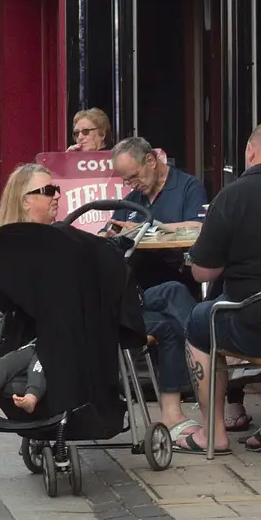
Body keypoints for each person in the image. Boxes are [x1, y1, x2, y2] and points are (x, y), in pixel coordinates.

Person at [180, 122, 261, 456]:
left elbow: (203, 272)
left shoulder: (232, 196)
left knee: (199, 323)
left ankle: (213, 433)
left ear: (250, 151)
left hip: (254, 324)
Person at [109, 136, 208, 447]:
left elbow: (198, 229)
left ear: (151, 160)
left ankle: (178, 407)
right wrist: (114, 233)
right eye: (125, 179)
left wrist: (151, 231)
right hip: (141, 291)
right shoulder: (132, 201)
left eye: (134, 176)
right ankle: (209, 353)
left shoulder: (189, 187)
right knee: (171, 298)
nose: (131, 184)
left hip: (178, 277)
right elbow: (112, 236)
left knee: (174, 296)